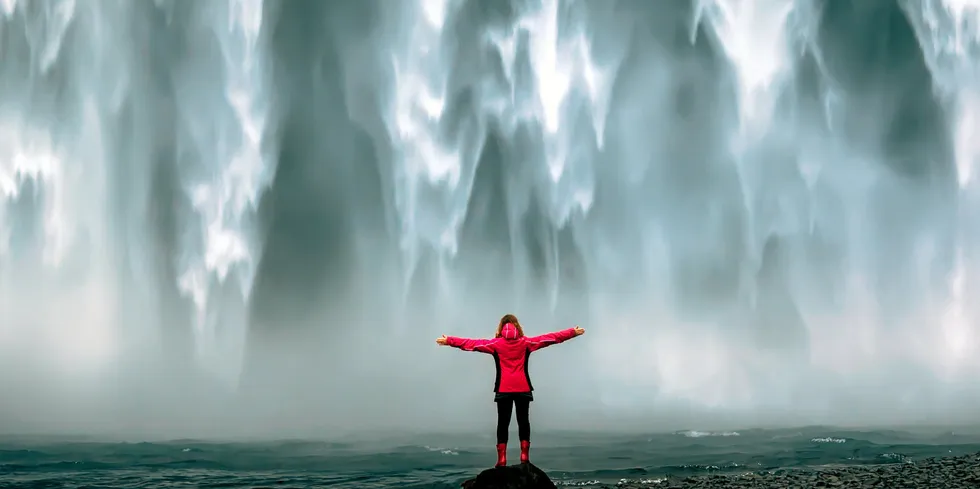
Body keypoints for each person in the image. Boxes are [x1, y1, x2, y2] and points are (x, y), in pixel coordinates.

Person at [436, 314, 585, 467]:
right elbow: (550, 338)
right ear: (517, 327)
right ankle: (524, 455)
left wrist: (449, 341)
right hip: (523, 388)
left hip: (503, 389)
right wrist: (572, 332)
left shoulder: (495, 344)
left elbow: (472, 344)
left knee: (503, 423)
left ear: (501, 328)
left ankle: (502, 459)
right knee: (523, 421)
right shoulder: (526, 343)